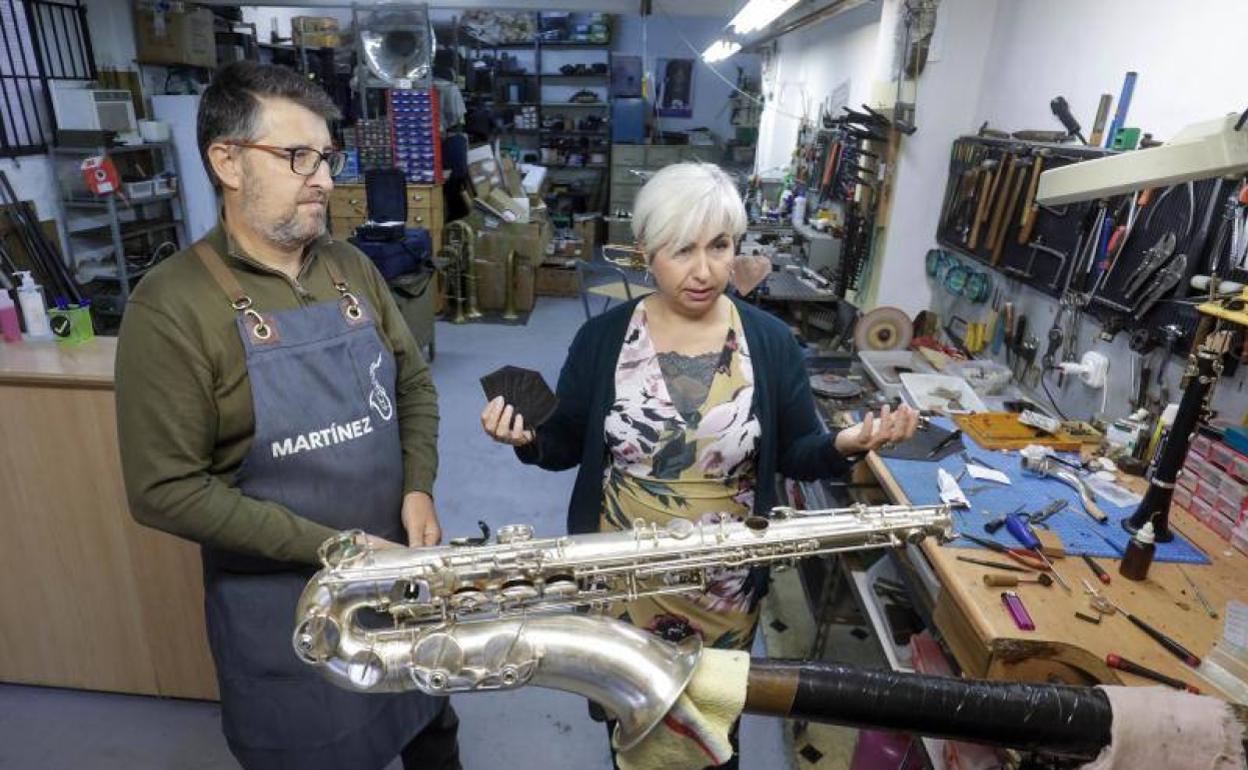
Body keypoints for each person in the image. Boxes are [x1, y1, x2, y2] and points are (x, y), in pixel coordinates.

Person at [480, 162, 918, 768]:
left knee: (713, 729)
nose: (705, 270)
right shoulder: (603, 341)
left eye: (720, 246)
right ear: (646, 252)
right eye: (681, 250)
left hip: (724, 588)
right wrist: (525, 436)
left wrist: (844, 447)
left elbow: (795, 452)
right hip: (623, 580)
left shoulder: (767, 342)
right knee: (633, 726)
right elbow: (564, 446)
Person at [115, 62, 459, 770]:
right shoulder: (173, 306)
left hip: (396, 581)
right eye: (297, 157)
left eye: (327, 158)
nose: (325, 180)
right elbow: (164, 489)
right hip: (286, 615)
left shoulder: (351, 268)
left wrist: (417, 485)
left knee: (430, 730)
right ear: (228, 162)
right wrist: (336, 551)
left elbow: (415, 384)